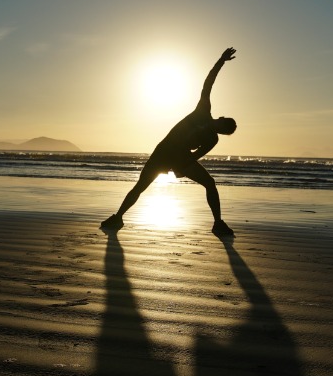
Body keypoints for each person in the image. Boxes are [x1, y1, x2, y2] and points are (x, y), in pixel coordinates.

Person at [101, 47, 238, 236]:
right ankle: (117, 217)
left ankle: (218, 223)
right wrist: (221, 61)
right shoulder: (203, 110)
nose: (220, 129)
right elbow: (209, 82)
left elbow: (195, 156)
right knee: (140, 186)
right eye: (223, 125)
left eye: (224, 131)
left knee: (210, 183)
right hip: (163, 152)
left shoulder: (212, 139)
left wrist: (181, 168)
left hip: (180, 158)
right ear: (220, 118)